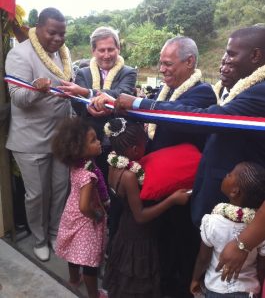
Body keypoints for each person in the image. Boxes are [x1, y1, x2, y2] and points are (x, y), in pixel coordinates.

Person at [93, 36, 217, 298]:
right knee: (158, 249)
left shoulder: (203, 92)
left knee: (178, 248)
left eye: (168, 64)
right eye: (160, 64)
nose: (162, 69)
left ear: (190, 62)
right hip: (155, 186)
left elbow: (176, 113)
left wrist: (138, 104)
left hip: (180, 191)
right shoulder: (166, 90)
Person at [5, 7, 72, 261]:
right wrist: (37, 89)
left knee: (60, 189)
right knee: (37, 195)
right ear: (38, 27)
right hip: (31, 140)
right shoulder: (19, 54)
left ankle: (55, 234)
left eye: (62, 34)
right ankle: (39, 238)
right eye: (52, 33)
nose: (57, 39)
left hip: (60, 139)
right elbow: (18, 99)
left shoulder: (63, 54)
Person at [102, 117, 191, 298]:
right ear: (135, 150)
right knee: (137, 279)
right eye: (145, 144)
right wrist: (172, 199)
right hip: (138, 235)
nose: (147, 147)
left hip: (124, 228)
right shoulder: (129, 176)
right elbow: (140, 216)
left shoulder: (113, 162)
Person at [57, 26, 137, 180]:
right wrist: (88, 104)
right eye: (101, 50)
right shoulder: (83, 73)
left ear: (118, 49)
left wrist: (88, 93)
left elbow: (122, 94)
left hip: (118, 144)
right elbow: (77, 103)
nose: (106, 55)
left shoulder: (128, 72)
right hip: (89, 143)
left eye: (110, 49)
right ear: (93, 51)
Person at [52, 117, 108, 298]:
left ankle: (74, 279)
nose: (99, 141)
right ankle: (94, 294)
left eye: (97, 137)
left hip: (71, 212)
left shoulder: (77, 165)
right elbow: (85, 206)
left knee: (72, 249)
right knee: (89, 261)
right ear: (78, 150)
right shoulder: (88, 175)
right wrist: (97, 215)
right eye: (93, 140)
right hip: (85, 219)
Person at [190, 161, 265, 298]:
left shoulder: (212, 222)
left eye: (230, 174)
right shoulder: (259, 230)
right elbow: (261, 265)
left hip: (216, 289)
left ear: (235, 191)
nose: (226, 175)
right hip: (249, 291)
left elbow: (203, 258)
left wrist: (195, 278)